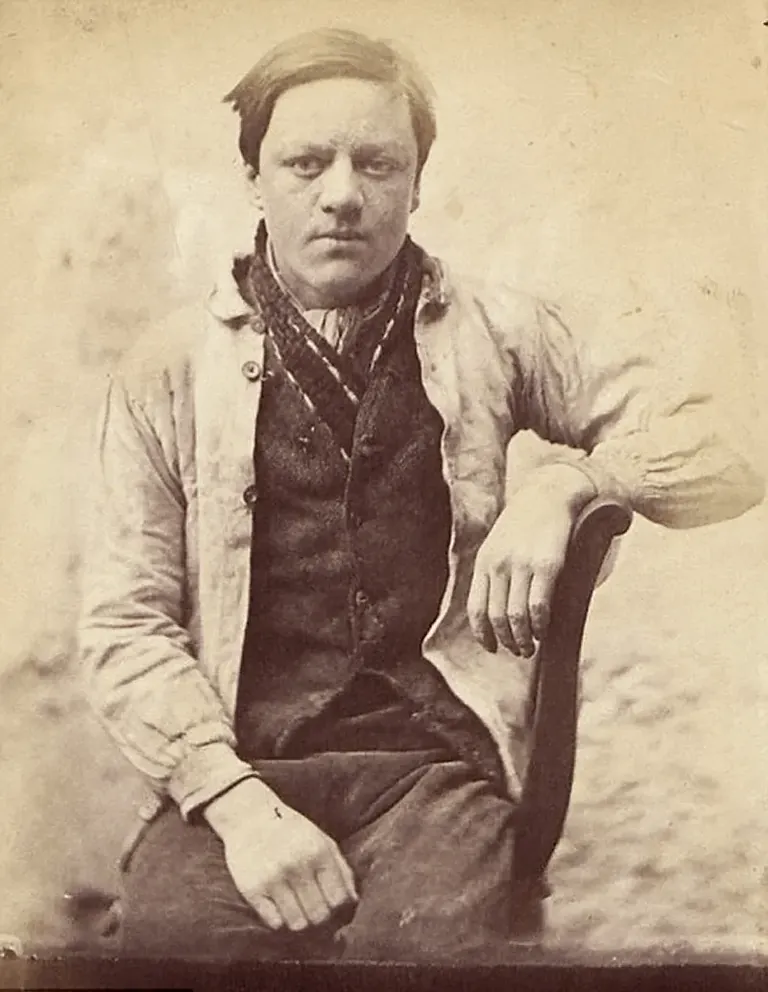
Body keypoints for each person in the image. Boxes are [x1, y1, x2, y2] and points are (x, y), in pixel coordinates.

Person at [78, 28, 763, 964]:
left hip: (434, 774)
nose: (342, 194)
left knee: (428, 962)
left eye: (377, 163)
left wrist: (573, 483)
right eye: (306, 163)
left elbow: (734, 443)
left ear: (416, 181)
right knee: (175, 954)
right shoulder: (167, 371)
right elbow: (125, 625)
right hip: (238, 771)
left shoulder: (495, 332)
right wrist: (233, 802)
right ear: (254, 179)